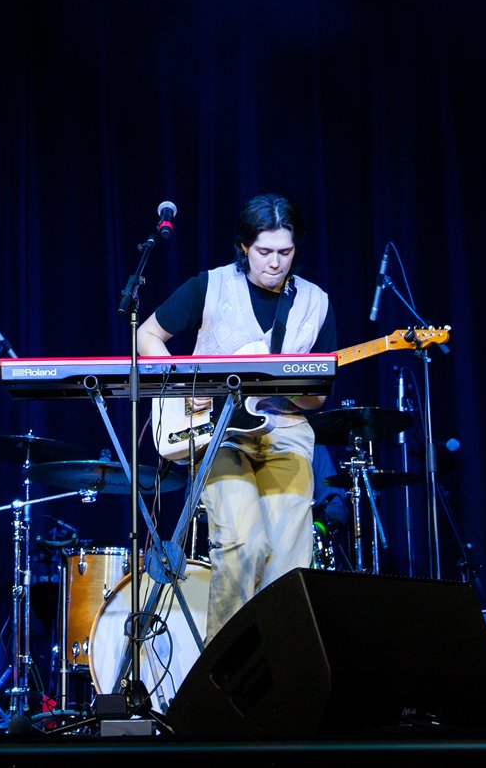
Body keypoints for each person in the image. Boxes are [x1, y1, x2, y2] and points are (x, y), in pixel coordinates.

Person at [136, 193, 337, 636]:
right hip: (219, 433)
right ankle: (224, 665)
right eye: (264, 252)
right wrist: (187, 387)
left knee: (289, 561)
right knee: (243, 541)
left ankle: (283, 661)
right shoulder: (210, 286)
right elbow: (147, 335)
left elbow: (318, 400)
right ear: (244, 247)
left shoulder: (315, 302)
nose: (275, 263)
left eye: (285, 252)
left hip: (286, 431)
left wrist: (290, 384)